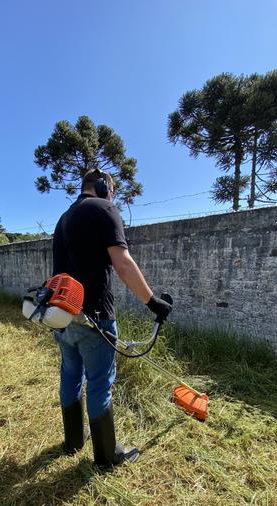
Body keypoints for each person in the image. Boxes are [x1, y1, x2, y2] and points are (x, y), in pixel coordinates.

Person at [52, 168, 172, 468]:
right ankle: (108, 456)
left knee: (70, 375)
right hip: (95, 318)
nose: (113, 195)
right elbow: (122, 263)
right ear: (104, 186)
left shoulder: (63, 219)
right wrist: (153, 302)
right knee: (99, 384)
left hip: (63, 314)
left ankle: (73, 440)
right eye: (113, 190)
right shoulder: (105, 208)